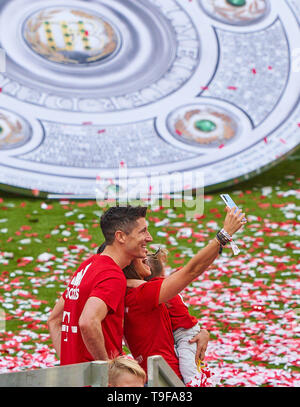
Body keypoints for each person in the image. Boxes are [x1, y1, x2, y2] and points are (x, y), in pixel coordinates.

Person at [123, 206, 246, 381]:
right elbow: (192, 270)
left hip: (159, 374)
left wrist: (200, 331)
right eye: (139, 254)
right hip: (166, 378)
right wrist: (224, 234)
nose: (146, 247)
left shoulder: (134, 290)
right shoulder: (142, 293)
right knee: (194, 380)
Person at [47, 205, 153, 365]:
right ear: (121, 237)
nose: (149, 237)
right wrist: (106, 369)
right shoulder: (112, 275)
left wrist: (69, 365)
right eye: (142, 231)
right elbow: (88, 321)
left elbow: (54, 320)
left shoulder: (88, 265)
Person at [146, 248, 209, 385]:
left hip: (186, 334)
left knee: (188, 369)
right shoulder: (164, 285)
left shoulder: (156, 288)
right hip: (180, 334)